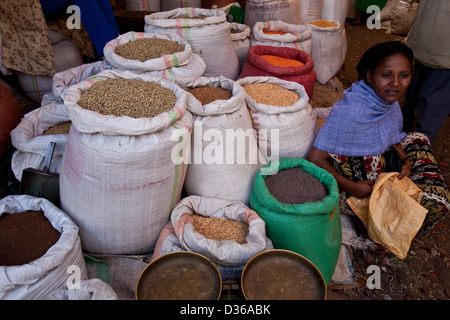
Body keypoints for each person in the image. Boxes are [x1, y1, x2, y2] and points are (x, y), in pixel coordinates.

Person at [306, 41, 449, 232]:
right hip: (355, 188)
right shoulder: (351, 111)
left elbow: (392, 136)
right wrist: (352, 187)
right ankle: (376, 220)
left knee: (418, 139)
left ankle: (389, 218)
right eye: (386, 75)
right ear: (370, 75)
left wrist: (405, 161)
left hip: (381, 172)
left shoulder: (388, 102)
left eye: (404, 75)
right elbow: (314, 158)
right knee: (436, 203)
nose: (396, 83)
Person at [402, 0, 450, 144]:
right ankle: (417, 147)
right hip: (445, 50)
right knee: (434, 103)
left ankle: (399, 133)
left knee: (413, 91)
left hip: (422, 40)